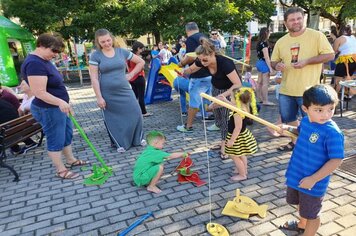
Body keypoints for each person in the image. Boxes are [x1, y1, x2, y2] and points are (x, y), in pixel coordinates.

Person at [279, 84, 343, 235]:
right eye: (319, 110)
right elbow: (299, 131)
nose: (326, 115)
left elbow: (336, 160)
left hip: (314, 182)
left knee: (313, 214)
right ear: (305, 109)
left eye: (330, 109)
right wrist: (286, 129)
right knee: (301, 204)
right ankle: (302, 224)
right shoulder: (307, 121)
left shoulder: (332, 133)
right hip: (297, 173)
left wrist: (314, 179)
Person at [21, 33, 88, 179]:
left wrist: (64, 102)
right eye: (53, 51)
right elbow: (39, 92)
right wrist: (60, 102)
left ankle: (70, 160)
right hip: (48, 108)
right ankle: (60, 169)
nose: (55, 54)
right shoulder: (34, 63)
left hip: (58, 107)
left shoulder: (43, 60)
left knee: (66, 134)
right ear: (41, 45)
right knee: (55, 138)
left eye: (57, 52)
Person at [271, 7, 334, 152]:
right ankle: (295, 142)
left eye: (299, 18)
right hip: (286, 90)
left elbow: (330, 55)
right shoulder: (281, 41)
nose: (296, 22)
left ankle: (315, 147)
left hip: (309, 90)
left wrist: (307, 61)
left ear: (303, 18)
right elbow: (274, 62)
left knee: (313, 121)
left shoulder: (316, 36)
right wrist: (277, 65)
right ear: (286, 23)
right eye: (292, 20)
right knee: (288, 119)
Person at [183, 38, 242, 160]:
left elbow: (237, 84)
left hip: (229, 91)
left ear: (212, 54)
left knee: (226, 120)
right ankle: (223, 142)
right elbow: (192, 69)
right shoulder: (202, 60)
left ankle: (225, 148)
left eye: (205, 59)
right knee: (219, 119)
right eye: (200, 59)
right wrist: (184, 71)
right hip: (215, 89)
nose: (202, 62)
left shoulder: (225, 63)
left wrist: (223, 96)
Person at [89, 29, 145, 153]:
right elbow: (94, 78)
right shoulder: (96, 55)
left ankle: (137, 139)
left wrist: (131, 75)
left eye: (108, 40)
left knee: (136, 111)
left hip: (125, 90)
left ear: (112, 39)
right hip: (107, 93)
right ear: (98, 42)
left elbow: (141, 62)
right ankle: (120, 143)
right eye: (103, 42)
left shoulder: (121, 52)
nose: (107, 43)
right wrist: (99, 97)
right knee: (113, 118)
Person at [176, 22, 212, 133]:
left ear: (187, 31)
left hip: (198, 76)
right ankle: (217, 122)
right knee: (211, 100)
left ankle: (188, 126)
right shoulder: (204, 37)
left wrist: (181, 63)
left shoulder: (190, 39)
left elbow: (191, 57)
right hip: (210, 74)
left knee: (194, 102)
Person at [221, 88, 258, 181]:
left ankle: (242, 175)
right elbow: (233, 105)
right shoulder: (243, 106)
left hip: (236, 137)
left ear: (237, 100)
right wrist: (225, 100)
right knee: (242, 154)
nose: (230, 98)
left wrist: (232, 140)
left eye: (232, 97)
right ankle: (243, 170)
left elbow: (237, 128)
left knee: (235, 156)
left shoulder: (237, 113)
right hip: (242, 135)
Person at [128, 41, 151, 117]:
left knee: (134, 96)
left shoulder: (128, 56)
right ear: (138, 49)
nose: (142, 51)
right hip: (139, 77)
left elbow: (128, 68)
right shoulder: (137, 58)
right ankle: (144, 112)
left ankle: (132, 111)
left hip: (131, 78)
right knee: (141, 96)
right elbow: (142, 67)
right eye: (141, 49)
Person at [332, 25, 356, 93]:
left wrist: (334, 40)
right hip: (354, 60)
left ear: (339, 30)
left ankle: (334, 97)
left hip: (344, 60)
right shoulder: (353, 37)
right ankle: (347, 94)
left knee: (338, 80)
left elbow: (334, 51)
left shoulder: (339, 39)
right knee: (348, 78)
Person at [256, 27, 275, 105]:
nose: (270, 34)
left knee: (259, 82)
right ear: (266, 33)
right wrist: (270, 68)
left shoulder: (259, 43)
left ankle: (259, 98)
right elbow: (266, 57)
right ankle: (265, 101)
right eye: (269, 32)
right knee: (265, 83)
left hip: (259, 63)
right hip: (264, 63)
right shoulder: (265, 44)